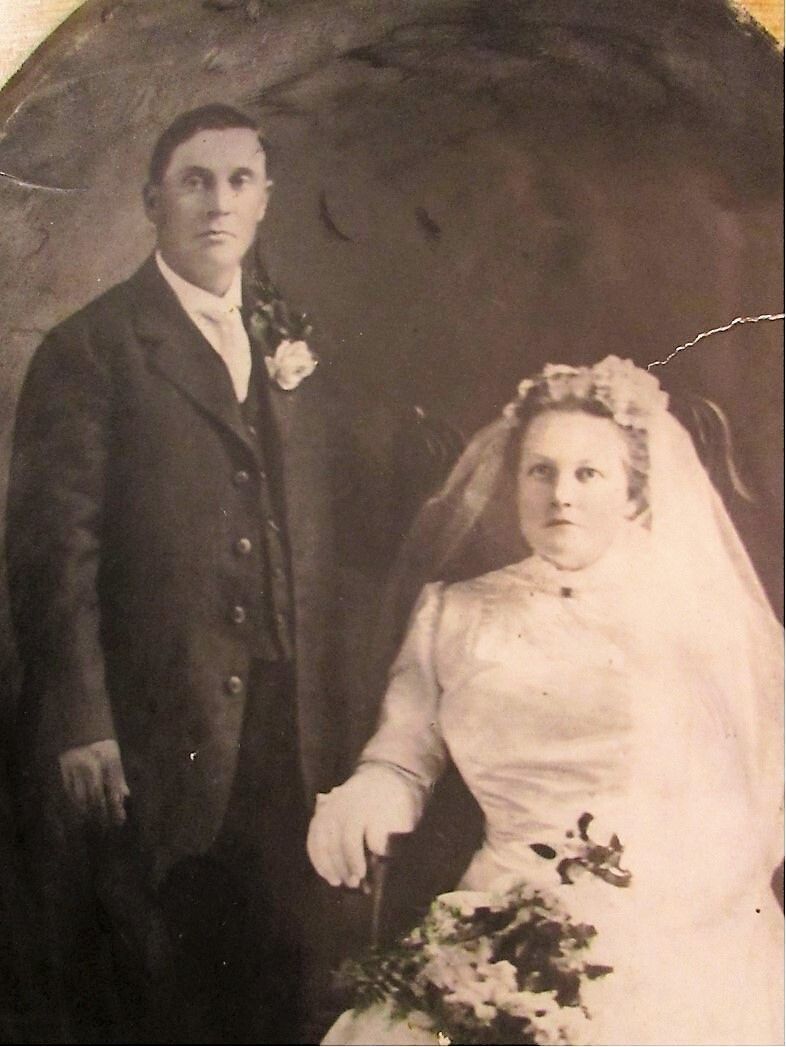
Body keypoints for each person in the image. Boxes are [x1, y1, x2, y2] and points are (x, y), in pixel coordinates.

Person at [6, 103, 362, 1043]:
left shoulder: (284, 338)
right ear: (151, 200)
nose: (218, 203)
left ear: (266, 199)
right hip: (156, 725)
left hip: (284, 721)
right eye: (194, 181)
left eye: (239, 181)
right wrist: (81, 719)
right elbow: (53, 554)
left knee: (279, 966)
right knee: (162, 978)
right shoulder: (90, 348)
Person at [308, 356, 784, 1045]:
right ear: (515, 485)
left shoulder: (695, 619)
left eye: (588, 474)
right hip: (500, 917)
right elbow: (402, 756)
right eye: (541, 471)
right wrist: (367, 794)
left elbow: (755, 779)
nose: (561, 494)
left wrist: (679, 906)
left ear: (633, 493)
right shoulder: (453, 612)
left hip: (667, 919)